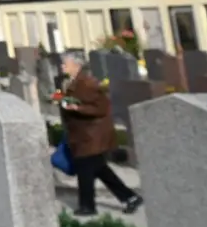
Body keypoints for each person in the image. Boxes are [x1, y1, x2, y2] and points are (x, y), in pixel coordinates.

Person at [58, 51, 143, 216]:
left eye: (65, 64)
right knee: (100, 169)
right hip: (84, 135)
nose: (62, 67)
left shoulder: (88, 83)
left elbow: (102, 108)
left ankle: (87, 206)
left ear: (76, 65)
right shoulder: (74, 82)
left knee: (85, 170)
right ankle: (130, 197)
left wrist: (77, 108)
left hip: (91, 136)